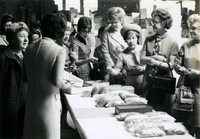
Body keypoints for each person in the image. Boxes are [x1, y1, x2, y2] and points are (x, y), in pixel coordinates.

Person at [22, 11, 71, 139]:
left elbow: (25, 78)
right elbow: (57, 82)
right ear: (60, 29)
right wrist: (69, 85)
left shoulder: (29, 48)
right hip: (48, 106)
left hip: (31, 105)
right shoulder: (59, 50)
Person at [139, 8, 179, 114]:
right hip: (149, 81)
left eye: (155, 22)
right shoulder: (148, 40)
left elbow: (171, 65)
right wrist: (156, 57)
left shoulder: (173, 42)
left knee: (164, 112)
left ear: (164, 22)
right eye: (152, 22)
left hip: (164, 82)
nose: (153, 25)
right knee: (147, 110)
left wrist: (155, 63)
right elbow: (141, 60)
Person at [0, 22, 29, 138]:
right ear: (12, 38)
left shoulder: (26, 55)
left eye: (27, 36)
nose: (26, 40)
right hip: (7, 109)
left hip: (23, 106)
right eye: (22, 36)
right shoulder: (2, 56)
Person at [173, 14, 200, 139]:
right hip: (187, 92)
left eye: (194, 28)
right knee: (186, 128)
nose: (190, 31)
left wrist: (198, 73)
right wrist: (185, 71)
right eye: (190, 28)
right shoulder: (185, 45)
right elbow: (176, 65)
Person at [107, 24, 145, 94]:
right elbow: (117, 70)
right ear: (125, 40)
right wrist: (111, 70)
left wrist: (142, 69)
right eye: (128, 38)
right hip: (130, 84)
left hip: (144, 82)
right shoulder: (122, 54)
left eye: (133, 38)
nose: (131, 41)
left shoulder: (143, 50)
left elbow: (150, 65)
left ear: (137, 38)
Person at [101, 7, 128, 84]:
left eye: (116, 22)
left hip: (125, 68)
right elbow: (105, 51)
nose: (113, 25)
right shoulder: (105, 33)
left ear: (121, 20)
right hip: (110, 68)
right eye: (111, 22)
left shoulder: (126, 31)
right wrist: (113, 68)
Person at [71, 16, 98, 81]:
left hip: (88, 70)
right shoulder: (75, 42)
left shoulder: (86, 40)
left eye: (88, 32)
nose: (86, 34)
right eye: (83, 31)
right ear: (79, 30)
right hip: (80, 71)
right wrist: (88, 60)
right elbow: (75, 62)